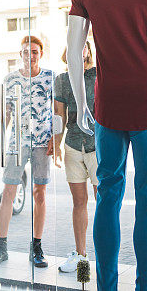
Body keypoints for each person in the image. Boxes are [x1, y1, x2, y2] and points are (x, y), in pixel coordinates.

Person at [0, 35, 56, 268]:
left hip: (42, 142)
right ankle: (1, 247)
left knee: (40, 194)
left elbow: (57, 113)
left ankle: (36, 247)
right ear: (20, 55)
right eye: (26, 52)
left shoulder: (49, 78)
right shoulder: (10, 80)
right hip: (16, 143)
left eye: (34, 51)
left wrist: (55, 140)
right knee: (8, 193)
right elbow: (4, 117)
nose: (30, 56)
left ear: (40, 54)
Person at [53, 42, 97, 273]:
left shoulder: (99, 74)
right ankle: (82, 261)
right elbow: (58, 114)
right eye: (75, 46)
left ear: (88, 51)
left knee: (105, 203)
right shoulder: (62, 79)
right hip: (72, 145)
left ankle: (106, 258)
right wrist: (56, 145)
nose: (80, 51)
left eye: (84, 46)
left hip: (98, 146)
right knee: (79, 203)